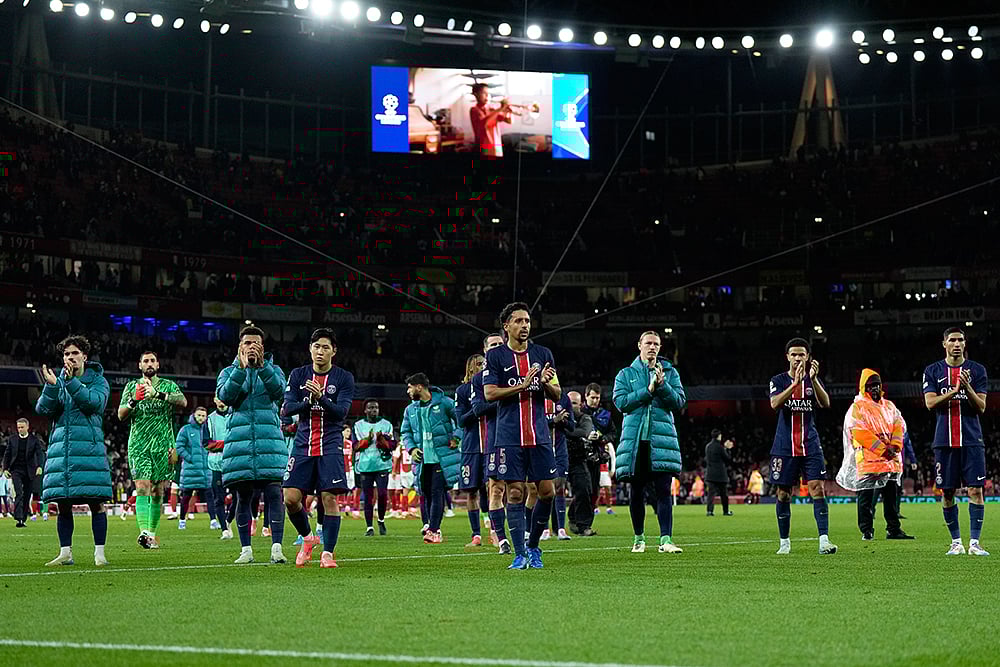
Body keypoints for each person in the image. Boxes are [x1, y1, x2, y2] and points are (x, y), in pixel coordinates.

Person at [483, 302, 561, 569]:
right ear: (507, 326)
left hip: (538, 434)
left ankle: (534, 546)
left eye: (527, 321)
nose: (525, 325)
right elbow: (489, 394)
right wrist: (523, 385)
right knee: (514, 493)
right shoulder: (496, 357)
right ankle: (519, 554)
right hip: (509, 435)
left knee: (547, 491)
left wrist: (545, 384)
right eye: (518, 321)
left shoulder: (543, 353)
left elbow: (557, 394)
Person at [34, 335, 113, 566]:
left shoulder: (99, 381)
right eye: (66, 354)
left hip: (89, 450)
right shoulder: (58, 381)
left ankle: (99, 553)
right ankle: (65, 553)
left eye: (74, 353)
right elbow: (43, 409)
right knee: (63, 503)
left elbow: (92, 404)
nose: (70, 357)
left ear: (84, 357)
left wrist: (70, 383)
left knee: (96, 502)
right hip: (63, 452)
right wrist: (51, 387)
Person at [281, 327, 355, 569]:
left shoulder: (344, 378)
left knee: (329, 497)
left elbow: (341, 412)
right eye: (316, 347)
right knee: (290, 498)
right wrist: (308, 401)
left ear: (334, 351)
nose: (320, 351)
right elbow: (287, 409)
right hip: (302, 444)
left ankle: (328, 553)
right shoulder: (298, 374)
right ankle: (308, 537)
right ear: (310, 349)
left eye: (325, 347)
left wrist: (321, 398)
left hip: (331, 444)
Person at [217, 325, 288, 565]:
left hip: (270, 445)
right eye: (247, 343)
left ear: (263, 347)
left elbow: (279, 391)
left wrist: (262, 367)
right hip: (241, 446)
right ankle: (245, 549)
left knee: (274, 494)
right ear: (240, 347)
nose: (251, 347)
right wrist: (241, 369)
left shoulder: (274, 369)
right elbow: (225, 397)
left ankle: (277, 547)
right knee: (243, 497)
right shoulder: (228, 372)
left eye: (255, 343)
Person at [613, 330, 686, 554]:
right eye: (648, 343)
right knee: (637, 492)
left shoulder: (670, 372)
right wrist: (648, 390)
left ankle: (665, 539)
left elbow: (679, 401)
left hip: (661, 441)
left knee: (664, 490)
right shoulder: (625, 374)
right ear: (639, 345)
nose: (652, 347)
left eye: (656, 344)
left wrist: (662, 386)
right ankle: (639, 538)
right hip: (636, 443)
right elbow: (621, 402)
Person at [922, 327, 989, 556]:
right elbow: (930, 403)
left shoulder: (977, 370)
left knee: (975, 490)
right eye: (952, 340)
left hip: (971, 439)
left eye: (960, 339)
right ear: (944, 344)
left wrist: (967, 388)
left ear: (965, 343)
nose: (957, 343)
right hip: (944, 441)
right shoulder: (932, 371)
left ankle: (974, 543)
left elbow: (981, 406)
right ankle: (956, 542)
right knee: (947, 492)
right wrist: (955, 391)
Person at [768, 338, 837, 555]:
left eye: (802, 354)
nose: (798, 358)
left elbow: (826, 403)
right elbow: (775, 403)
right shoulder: (778, 380)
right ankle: (784, 542)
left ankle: (824, 541)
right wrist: (795, 385)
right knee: (783, 494)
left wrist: (813, 381)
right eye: (794, 354)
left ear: (808, 357)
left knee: (818, 488)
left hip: (810, 445)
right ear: (787, 357)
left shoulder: (813, 380)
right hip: (784, 446)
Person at [117, 350, 187, 549]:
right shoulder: (131, 387)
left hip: (164, 445)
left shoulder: (168, 385)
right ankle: (144, 532)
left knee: (157, 490)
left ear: (158, 365)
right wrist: (134, 400)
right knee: (141, 487)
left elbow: (183, 402)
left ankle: (152, 535)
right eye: (145, 361)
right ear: (139, 365)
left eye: (152, 361)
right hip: (139, 444)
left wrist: (159, 395)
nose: (149, 363)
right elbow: (121, 415)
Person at [836, 369, 913, 541]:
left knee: (891, 499)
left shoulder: (889, 406)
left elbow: (898, 426)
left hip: (889, 461)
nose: (875, 388)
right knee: (865, 500)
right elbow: (858, 432)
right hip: (869, 462)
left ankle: (893, 529)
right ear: (864, 387)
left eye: (877, 385)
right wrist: (884, 450)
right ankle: (867, 530)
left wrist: (895, 445)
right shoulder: (857, 407)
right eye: (871, 385)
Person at [401, 372, 461, 544]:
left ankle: (434, 530)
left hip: (440, 457)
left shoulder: (444, 403)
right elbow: (406, 432)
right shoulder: (410, 410)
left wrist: (456, 437)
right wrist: (411, 448)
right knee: (426, 493)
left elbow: (461, 420)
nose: (408, 391)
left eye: (409, 387)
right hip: (421, 460)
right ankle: (432, 526)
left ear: (419, 387)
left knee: (436, 492)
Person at [470, 333, 508, 551]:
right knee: (495, 490)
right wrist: (505, 398)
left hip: (519, 438)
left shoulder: (514, 372)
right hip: (494, 439)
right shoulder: (478, 379)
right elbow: (477, 409)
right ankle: (500, 537)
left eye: (499, 344)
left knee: (519, 490)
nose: (496, 347)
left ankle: (522, 533)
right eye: (492, 345)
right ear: (485, 351)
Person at [456, 353, 491, 547]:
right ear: (470, 368)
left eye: (484, 364)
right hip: (471, 447)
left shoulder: (493, 386)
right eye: (479, 364)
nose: (482, 367)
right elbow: (461, 420)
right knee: (471, 491)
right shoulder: (462, 391)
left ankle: (495, 530)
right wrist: (479, 408)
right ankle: (476, 535)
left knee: (493, 489)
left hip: (492, 444)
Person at [354, 399, 395, 537]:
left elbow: (393, 444)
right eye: (371, 408)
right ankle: (369, 527)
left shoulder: (386, 425)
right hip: (365, 465)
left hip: (382, 464)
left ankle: (381, 520)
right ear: (365, 410)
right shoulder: (358, 425)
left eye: (376, 408)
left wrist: (382, 441)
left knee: (382, 494)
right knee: (368, 497)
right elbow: (355, 446)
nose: (374, 410)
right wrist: (367, 439)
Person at [174, 406, 215, 531]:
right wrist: (190, 458)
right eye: (199, 415)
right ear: (194, 415)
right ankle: (182, 520)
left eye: (203, 415)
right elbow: (179, 447)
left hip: (205, 470)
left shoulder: (208, 429)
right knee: (186, 496)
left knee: (209, 496)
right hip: (190, 470)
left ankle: (213, 520)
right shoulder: (185, 430)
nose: (201, 418)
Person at [1, 418, 44, 528]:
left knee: (27, 495)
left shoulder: (34, 440)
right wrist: (5, 469)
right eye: (18, 427)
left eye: (22, 427)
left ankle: (23, 519)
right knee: (19, 492)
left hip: (30, 471)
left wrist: (39, 466)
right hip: (16, 470)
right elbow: (7, 454)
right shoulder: (12, 439)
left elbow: (39, 454)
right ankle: (18, 518)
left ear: (27, 427)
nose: (20, 429)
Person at [583, 383, 617, 519]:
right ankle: (578, 519)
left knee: (594, 489)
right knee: (582, 489)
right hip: (580, 456)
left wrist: (603, 438)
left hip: (598, 456)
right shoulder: (579, 413)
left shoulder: (605, 415)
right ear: (586, 397)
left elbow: (613, 433)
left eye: (597, 398)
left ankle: (586, 521)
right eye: (592, 397)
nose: (595, 400)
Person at [566, 391, 598, 536]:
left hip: (578, 459)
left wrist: (564, 429)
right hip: (559, 458)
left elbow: (583, 432)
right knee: (552, 493)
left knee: (584, 490)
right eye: (568, 402)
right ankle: (555, 528)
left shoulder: (584, 417)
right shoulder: (557, 416)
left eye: (574, 403)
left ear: (581, 404)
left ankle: (583, 525)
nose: (571, 406)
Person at [546, 392, 575, 541]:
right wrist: (553, 419)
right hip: (542, 448)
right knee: (543, 488)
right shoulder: (536, 394)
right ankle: (544, 528)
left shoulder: (563, 399)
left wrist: (563, 421)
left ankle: (561, 529)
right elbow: (533, 421)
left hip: (560, 449)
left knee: (560, 487)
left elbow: (572, 426)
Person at [205, 397, 232, 538]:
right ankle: (224, 529)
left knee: (241, 497)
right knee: (219, 498)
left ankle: (229, 520)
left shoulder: (236, 415)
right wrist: (228, 444)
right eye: (219, 399)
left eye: (224, 398)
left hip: (235, 463)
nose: (222, 402)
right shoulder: (210, 419)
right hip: (216, 464)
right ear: (214, 400)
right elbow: (206, 444)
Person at [469, 83, 512, 158]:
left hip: (497, 146)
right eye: (483, 93)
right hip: (484, 147)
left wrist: (509, 112)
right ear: (475, 94)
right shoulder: (474, 110)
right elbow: (484, 123)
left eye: (487, 93)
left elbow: (509, 121)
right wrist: (499, 109)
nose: (487, 96)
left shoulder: (492, 109)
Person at [704, 429, 734, 516]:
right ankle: (725, 511)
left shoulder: (708, 446)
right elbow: (727, 459)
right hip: (720, 474)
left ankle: (710, 511)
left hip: (710, 474)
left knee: (711, 494)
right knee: (724, 494)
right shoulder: (720, 447)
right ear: (718, 436)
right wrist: (727, 449)